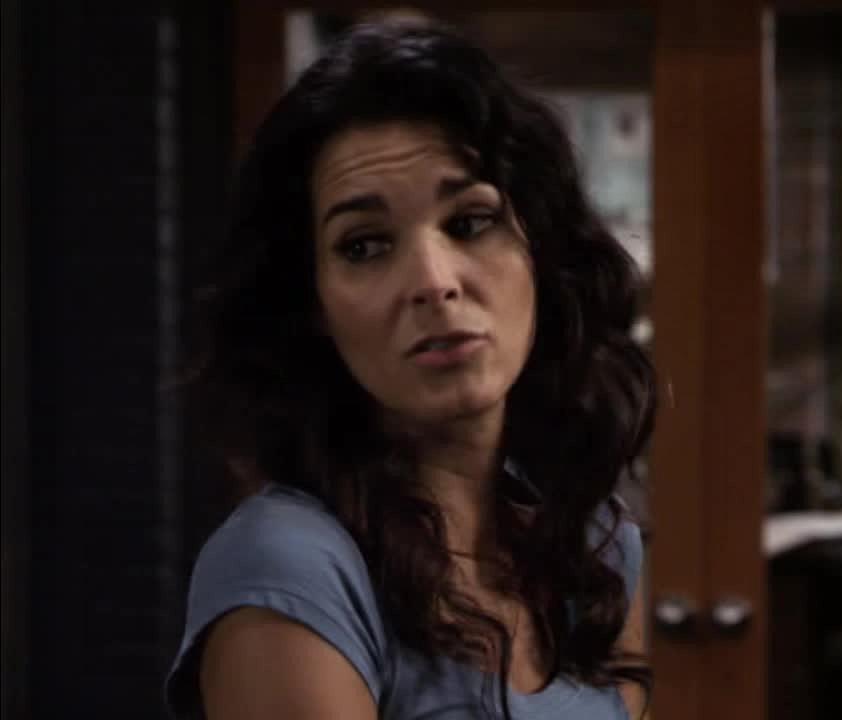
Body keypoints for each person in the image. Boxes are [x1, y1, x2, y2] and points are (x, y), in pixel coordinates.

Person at [165, 21, 654, 720]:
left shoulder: (595, 548)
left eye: (470, 222)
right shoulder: (291, 565)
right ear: (311, 305)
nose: (433, 282)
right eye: (365, 246)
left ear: (539, 251)